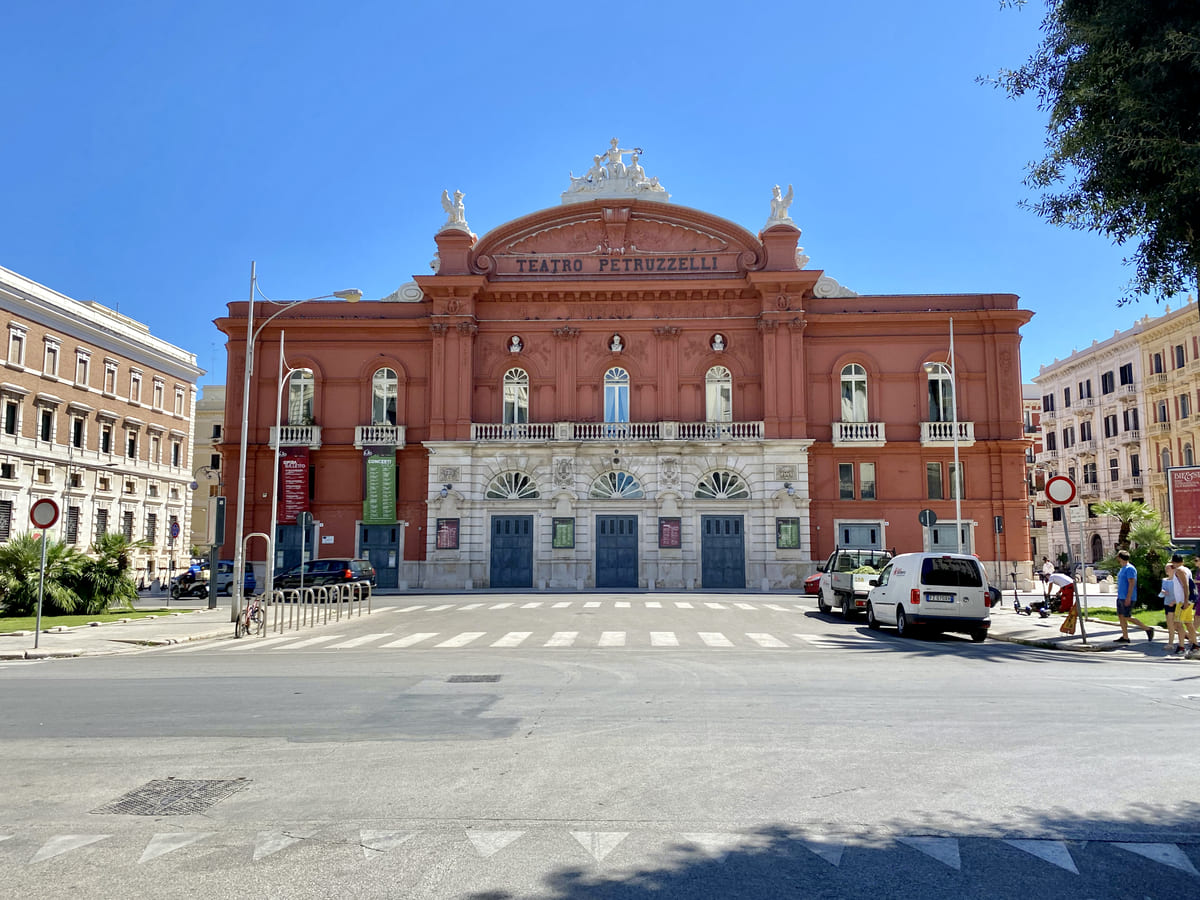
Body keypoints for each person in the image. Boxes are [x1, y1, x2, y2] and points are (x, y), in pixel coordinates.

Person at [1114, 549, 1154, 643]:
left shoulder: (1130, 569)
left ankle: (1147, 629)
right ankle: (1125, 637)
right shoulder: (1122, 569)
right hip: (1121, 596)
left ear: (1120, 557)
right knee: (1121, 616)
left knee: (1127, 616)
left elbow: (1132, 583)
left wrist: (1128, 597)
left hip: (1128, 597)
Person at [1171, 552, 1198, 657]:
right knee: (1188, 623)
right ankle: (1195, 645)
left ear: (1173, 562)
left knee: (1178, 623)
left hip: (1183, 602)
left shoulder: (1179, 570)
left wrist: (1185, 600)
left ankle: (1181, 647)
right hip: (1186, 600)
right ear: (1182, 561)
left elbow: (1185, 585)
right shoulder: (1187, 569)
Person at [1161, 563, 1182, 654]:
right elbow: (1162, 591)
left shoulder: (1177, 580)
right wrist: (1163, 592)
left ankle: (1174, 642)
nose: (1166, 570)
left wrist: (1174, 601)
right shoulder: (1165, 580)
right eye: (1166, 568)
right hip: (1167, 602)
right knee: (1170, 624)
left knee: (1176, 624)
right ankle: (1171, 642)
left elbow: (1180, 592)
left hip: (1175, 603)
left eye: (1168, 568)